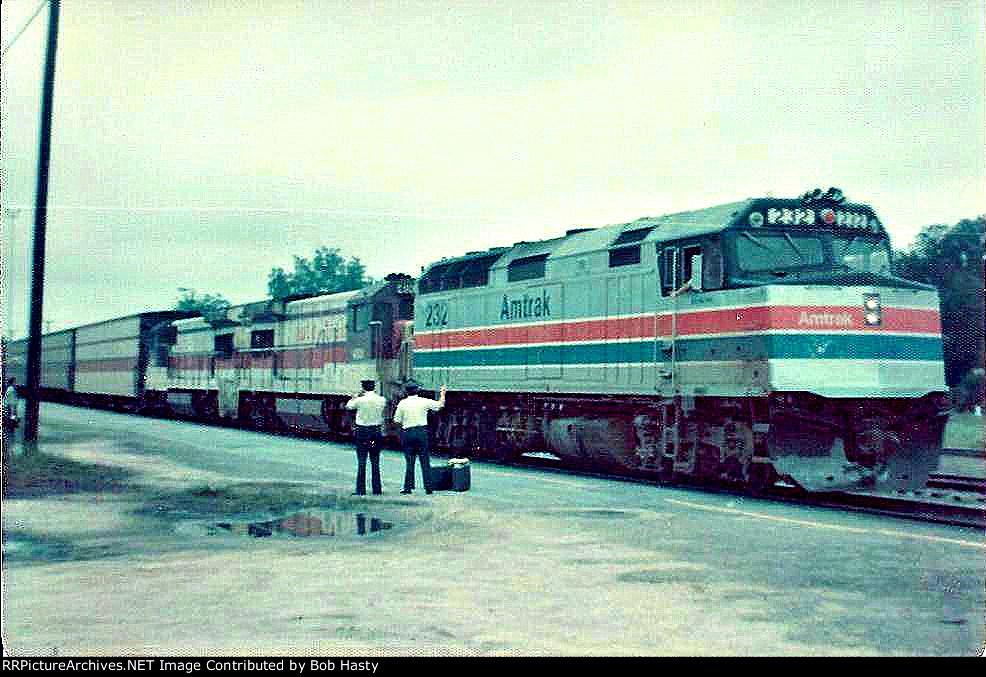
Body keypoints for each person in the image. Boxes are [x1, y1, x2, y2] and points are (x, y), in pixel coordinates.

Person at [393, 382, 446, 495]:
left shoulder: (402, 403)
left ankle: (408, 487)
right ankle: (428, 488)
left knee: (410, 462)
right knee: (425, 461)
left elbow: (397, 420)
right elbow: (440, 405)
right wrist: (442, 393)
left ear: (407, 391)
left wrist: (401, 433)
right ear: (417, 391)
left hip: (408, 432)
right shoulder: (424, 401)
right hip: (422, 432)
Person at [345, 379, 387, 495]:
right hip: (375, 433)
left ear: (363, 388)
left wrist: (355, 396)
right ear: (374, 387)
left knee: (362, 460)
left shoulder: (359, 400)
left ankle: (360, 490)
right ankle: (377, 489)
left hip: (362, 433)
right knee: (375, 460)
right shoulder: (381, 400)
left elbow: (348, 406)